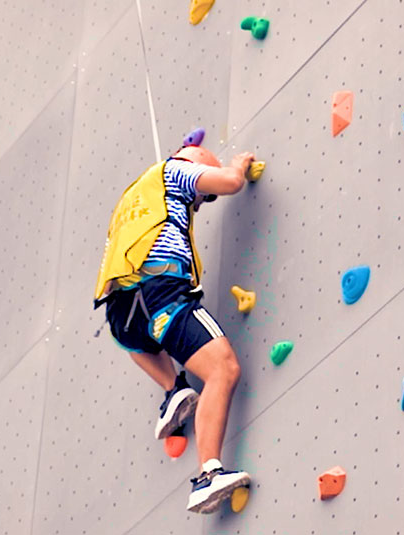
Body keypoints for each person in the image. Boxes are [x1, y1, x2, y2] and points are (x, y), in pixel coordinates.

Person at [93, 143, 255, 513]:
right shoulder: (175, 172)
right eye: (204, 196)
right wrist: (237, 166)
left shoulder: (132, 199)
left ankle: (173, 389)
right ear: (196, 160)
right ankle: (208, 475)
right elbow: (230, 182)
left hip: (123, 316)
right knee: (222, 369)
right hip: (162, 294)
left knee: (139, 340)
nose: (201, 202)